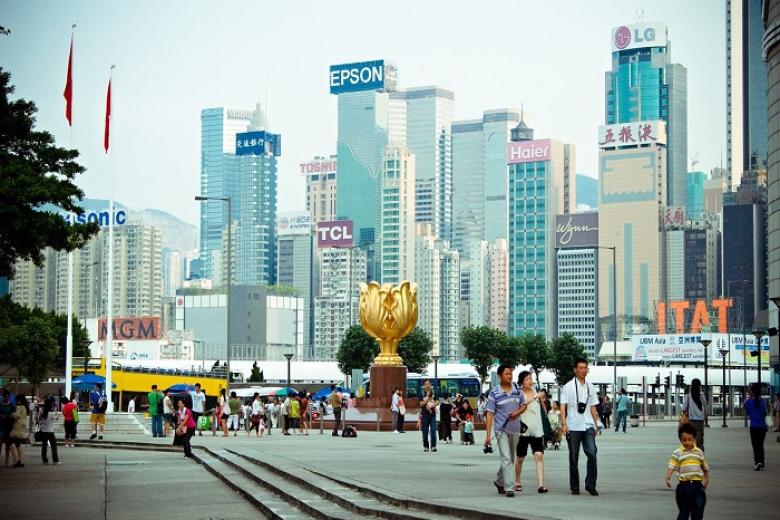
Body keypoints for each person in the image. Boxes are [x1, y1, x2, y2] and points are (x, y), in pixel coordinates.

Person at [484, 365, 528, 497]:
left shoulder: (517, 390)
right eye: (506, 374)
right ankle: (510, 487)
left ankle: (499, 481)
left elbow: (524, 406)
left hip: (515, 429)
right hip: (500, 430)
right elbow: (490, 414)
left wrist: (517, 412)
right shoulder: (494, 393)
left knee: (510, 458)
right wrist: (488, 435)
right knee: (506, 457)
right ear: (500, 376)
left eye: (510, 373)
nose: (509, 376)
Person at [561, 357, 600, 496]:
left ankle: (590, 485)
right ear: (575, 370)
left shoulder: (591, 386)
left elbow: (593, 406)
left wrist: (596, 424)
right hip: (573, 425)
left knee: (592, 454)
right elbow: (563, 406)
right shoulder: (568, 386)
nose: (584, 370)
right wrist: (564, 424)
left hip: (588, 424)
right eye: (581, 368)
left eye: (585, 368)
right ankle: (575, 486)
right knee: (573, 457)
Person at [666, 422, 709, 520]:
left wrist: (707, 479)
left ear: (694, 439)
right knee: (683, 513)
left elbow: (705, 467)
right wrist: (668, 477)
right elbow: (671, 465)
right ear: (680, 440)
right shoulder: (678, 452)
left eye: (690, 440)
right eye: (684, 440)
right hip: (683, 487)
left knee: (698, 511)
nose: (687, 442)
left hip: (697, 486)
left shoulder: (699, 453)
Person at [514, 371, 548, 494]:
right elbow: (523, 405)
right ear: (522, 382)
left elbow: (542, 409)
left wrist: (543, 404)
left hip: (537, 429)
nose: (530, 381)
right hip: (524, 430)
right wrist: (535, 397)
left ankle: (541, 484)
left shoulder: (535, 392)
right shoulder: (519, 393)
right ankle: (517, 481)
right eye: (527, 379)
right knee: (520, 458)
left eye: (530, 378)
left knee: (539, 455)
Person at [743, 383, 769, 470]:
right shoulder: (763, 401)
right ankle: (761, 462)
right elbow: (766, 413)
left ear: (752, 391)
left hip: (754, 427)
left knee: (755, 445)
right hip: (762, 426)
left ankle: (757, 462)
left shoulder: (749, 401)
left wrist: (750, 396)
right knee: (760, 445)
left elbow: (743, 406)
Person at [682, 379, 707, 451]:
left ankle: (692, 456)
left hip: (691, 422)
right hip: (700, 422)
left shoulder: (688, 396)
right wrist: (704, 417)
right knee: (700, 441)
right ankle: (700, 456)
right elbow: (706, 409)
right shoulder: (702, 396)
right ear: (699, 386)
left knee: (691, 440)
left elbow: (684, 408)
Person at [37, 396, 60, 465]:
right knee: (53, 446)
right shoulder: (51, 413)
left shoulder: (42, 411)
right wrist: (55, 410)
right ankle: (55, 460)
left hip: (43, 431)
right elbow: (56, 418)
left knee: (44, 446)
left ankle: (45, 460)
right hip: (50, 431)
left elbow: (39, 419)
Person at [9, 394, 29, 466]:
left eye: (17, 400)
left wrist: (11, 414)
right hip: (22, 427)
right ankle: (20, 461)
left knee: (10, 442)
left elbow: (17, 415)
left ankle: (16, 459)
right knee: (18, 444)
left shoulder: (21, 407)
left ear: (20, 400)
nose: (16, 401)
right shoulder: (25, 407)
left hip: (17, 427)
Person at [419, 379, 438, 452]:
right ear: (424, 385)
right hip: (424, 415)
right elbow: (420, 404)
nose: (427, 385)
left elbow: (438, 401)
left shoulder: (434, 393)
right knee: (425, 431)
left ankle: (433, 446)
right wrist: (427, 400)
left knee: (433, 430)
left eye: (429, 384)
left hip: (432, 414)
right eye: (426, 384)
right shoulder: (421, 393)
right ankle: (426, 446)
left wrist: (434, 404)